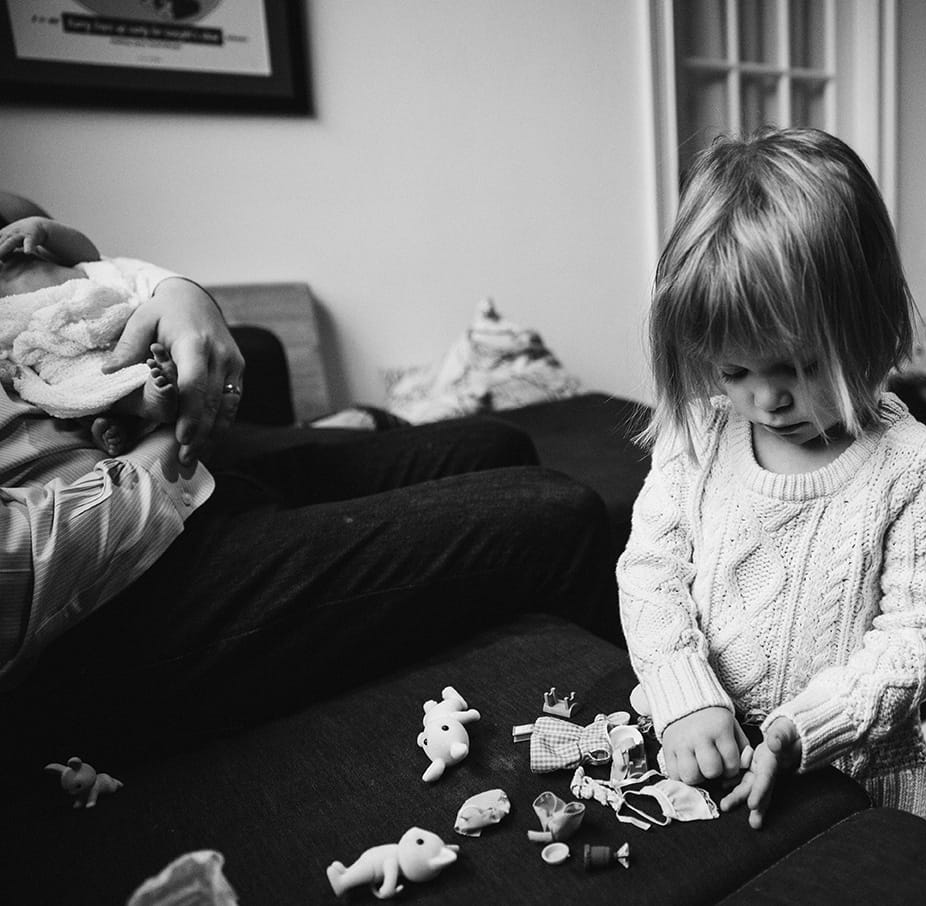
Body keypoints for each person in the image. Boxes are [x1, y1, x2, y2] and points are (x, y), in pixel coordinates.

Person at [0, 191, 615, 769]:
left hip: (178, 470)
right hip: (105, 595)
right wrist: (172, 442)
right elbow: (24, 564)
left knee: (497, 440)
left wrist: (182, 295)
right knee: (560, 511)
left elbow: (55, 247)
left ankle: (351, 429)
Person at [617, 128, 926, 833]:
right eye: (733, 371)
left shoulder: (917, 466)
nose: (766, 400)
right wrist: (683, 692)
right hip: (707, 751)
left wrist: (805, 727)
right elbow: (650, 573)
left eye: (797, 367)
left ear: (868, 325)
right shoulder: (699, 437)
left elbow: (922, 634)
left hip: (849, 775)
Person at [0, 210, 183, 454]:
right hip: (51, 346)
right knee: (75, 386)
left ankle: (142, 402)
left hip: (98, 314)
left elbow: (89, 256)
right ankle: (139, 407)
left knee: (139, 345)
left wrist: (45, 230)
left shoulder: (35, 250)